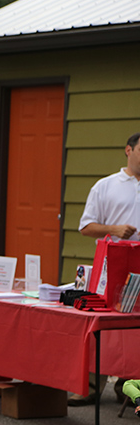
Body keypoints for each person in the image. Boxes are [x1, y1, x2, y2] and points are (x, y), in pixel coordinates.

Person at [74, 132, 140, 405]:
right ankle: (91, 385)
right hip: (112, 263)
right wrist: (114, 229)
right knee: (104, 322)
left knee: (136, 326)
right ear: (128, 150)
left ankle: (128, 385)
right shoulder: (106, 186)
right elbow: (86, 227)